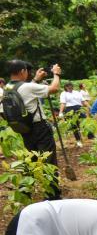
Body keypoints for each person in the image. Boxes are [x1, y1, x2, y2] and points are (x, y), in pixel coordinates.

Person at [4, 60, 62, 199]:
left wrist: (35, 79)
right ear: (22, 71)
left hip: (25, 129)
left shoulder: (7, 88)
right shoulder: (27, 87)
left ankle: (25, 193)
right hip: (39, 128)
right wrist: (56, 74)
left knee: (31, 159)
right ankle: (52, 195)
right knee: (48, 160)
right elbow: (54, 88)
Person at [58, 82, 92, 147]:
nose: (70, 87)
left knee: (85, 121)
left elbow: (83, 101)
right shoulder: (63, 93)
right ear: (65, 87)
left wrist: (90, 107)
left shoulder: (77, 92)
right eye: (68, 86)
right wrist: (60, 112)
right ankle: (78, 140)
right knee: (74, 125)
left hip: (79, 108)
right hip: (69, 109)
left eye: (71, 86)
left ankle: (91, 137)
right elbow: (63, 103)